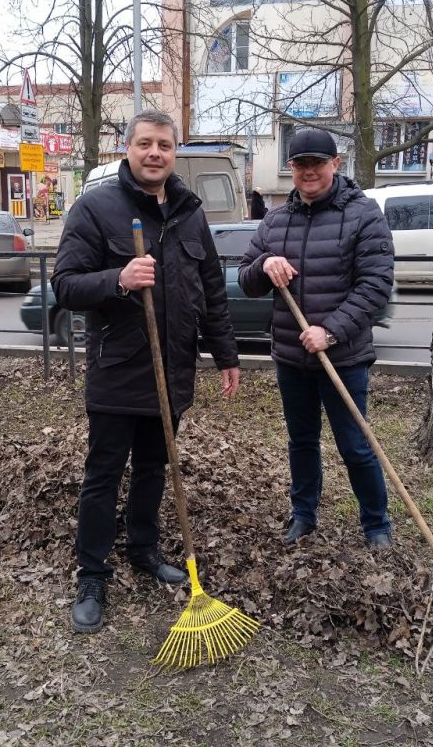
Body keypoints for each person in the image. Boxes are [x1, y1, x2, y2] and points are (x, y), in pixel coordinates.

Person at [51, 109, 241, 634]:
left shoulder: (188, 212)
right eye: (145, 144)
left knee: (155, 468)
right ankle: (92, 574)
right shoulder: (95, 208)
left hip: (173, 371)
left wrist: (226, 353)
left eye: (164, 145)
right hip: (118, 370)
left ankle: (143, 548)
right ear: (127, 148)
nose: (155, 153)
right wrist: (120, 278)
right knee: (104, 474)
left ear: (174, 152)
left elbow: (212, 291)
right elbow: (65, 285)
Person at [237, 127, 395, 548]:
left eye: (317, 163)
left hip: (343, 357)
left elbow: (375, 286)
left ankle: (376, 525)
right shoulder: (275, 220)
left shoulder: (363, 216)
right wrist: (265, 263)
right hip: (291, 357)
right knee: (301, 442)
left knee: (355, 445)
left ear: (335, 165)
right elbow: (246, 279)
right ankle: (303, 515)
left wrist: (331, 331)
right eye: (300, 164)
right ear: (291, 168)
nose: (309, 172)